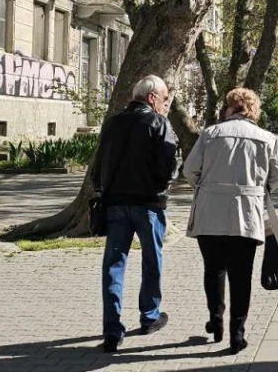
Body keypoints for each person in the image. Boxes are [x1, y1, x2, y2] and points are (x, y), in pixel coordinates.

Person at [184, 88, 278, 354]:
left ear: (230, 108)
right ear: (253, 110)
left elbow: (189, 170)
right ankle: (237, 335)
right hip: (247, 214)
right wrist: (260, 189)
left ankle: (215, 319)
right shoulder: (266, 138)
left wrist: (205, 187)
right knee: (242, 276)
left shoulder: (210, 134)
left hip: (210, 213)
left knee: (213, 269)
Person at [92, 75, 179, 353]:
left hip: (116, 204)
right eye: (165, 99)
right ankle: (149, 316)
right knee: (152, 260)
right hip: (148, 205)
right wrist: (161, 185)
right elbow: (168, 165)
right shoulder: (158, 122)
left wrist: (102, 190)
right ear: (152, 98)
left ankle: (111, 330)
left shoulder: (114, 122)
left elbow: (98, 163)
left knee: (113, 265)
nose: (166, 104)